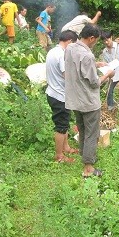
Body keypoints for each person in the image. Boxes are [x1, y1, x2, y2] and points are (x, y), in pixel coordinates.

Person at [64, 23, 114, 178]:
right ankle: (88, 168)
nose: (95, 44)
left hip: (75, 99)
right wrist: (108, 75)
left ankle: (86, 157)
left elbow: (77, 68)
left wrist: (96, 64)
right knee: (92, 132)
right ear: (91, 38)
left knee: (83, 129)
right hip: (88, 101)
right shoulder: (87, 55)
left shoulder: (70, 48)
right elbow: (94, 82)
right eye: (96, 41)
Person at [45, 30, 79, 163]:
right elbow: (67, 75)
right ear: (69, 42)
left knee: (64, 123)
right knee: (61, 126)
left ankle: (66, 147)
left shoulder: (52, 51)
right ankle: (59, 156)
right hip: (59, 95)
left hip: (54, 92)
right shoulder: (61, 55)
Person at [101, 31, 119, 111]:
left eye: (107, 40)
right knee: (109, 89)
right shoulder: (104, 51)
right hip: (113, 71)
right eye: (104, 41)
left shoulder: (118, 45)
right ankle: (110, 106)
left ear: (111, 38)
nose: (106, 42)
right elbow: (106, 64)